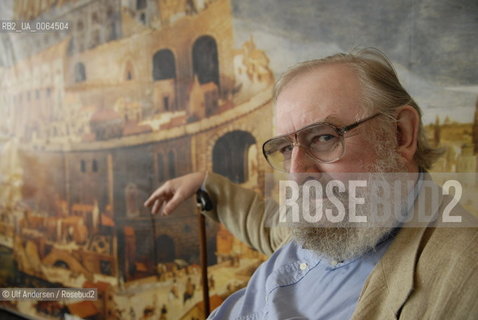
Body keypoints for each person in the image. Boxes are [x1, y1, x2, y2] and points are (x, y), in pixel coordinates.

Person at [145, 49, 478, 319]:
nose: (297, 172)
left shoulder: (463, 274)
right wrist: (204, 183)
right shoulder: (340, 213)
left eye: (323, 137)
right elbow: (267, 224)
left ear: (400, 134)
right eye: (287, 148)